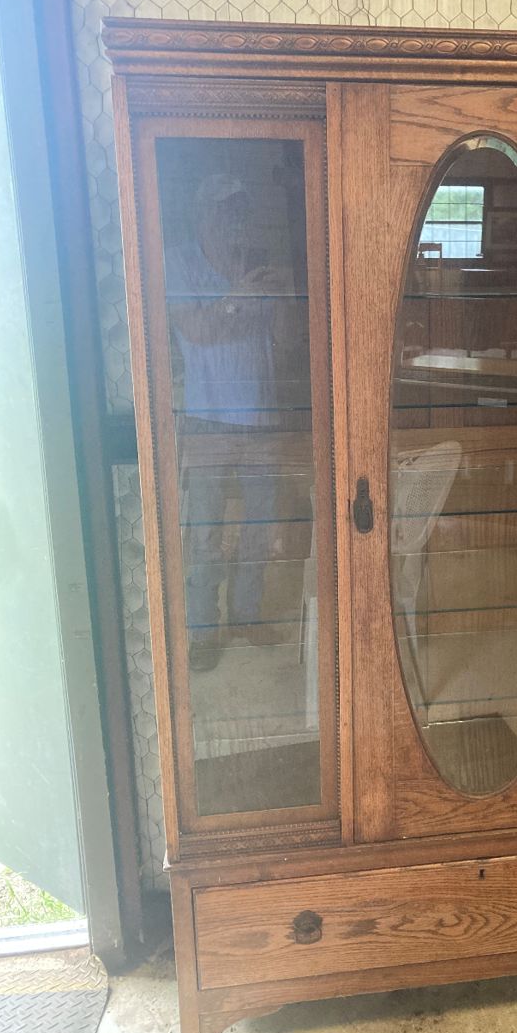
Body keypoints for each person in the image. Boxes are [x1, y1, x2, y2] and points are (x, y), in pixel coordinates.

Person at [165, 173, 298, 672]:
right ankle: (202, 630)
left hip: (262, 419)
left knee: (260, 527)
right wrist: (239, 294)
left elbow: (285, 346)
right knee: (204, 530)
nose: (234, 220)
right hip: (206, 421)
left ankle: (245, 615)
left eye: (239, 210)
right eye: (224, 210)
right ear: (202, 213)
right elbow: (196, 330)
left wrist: (285, 297)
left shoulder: (256, 263)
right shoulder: (178, 260)